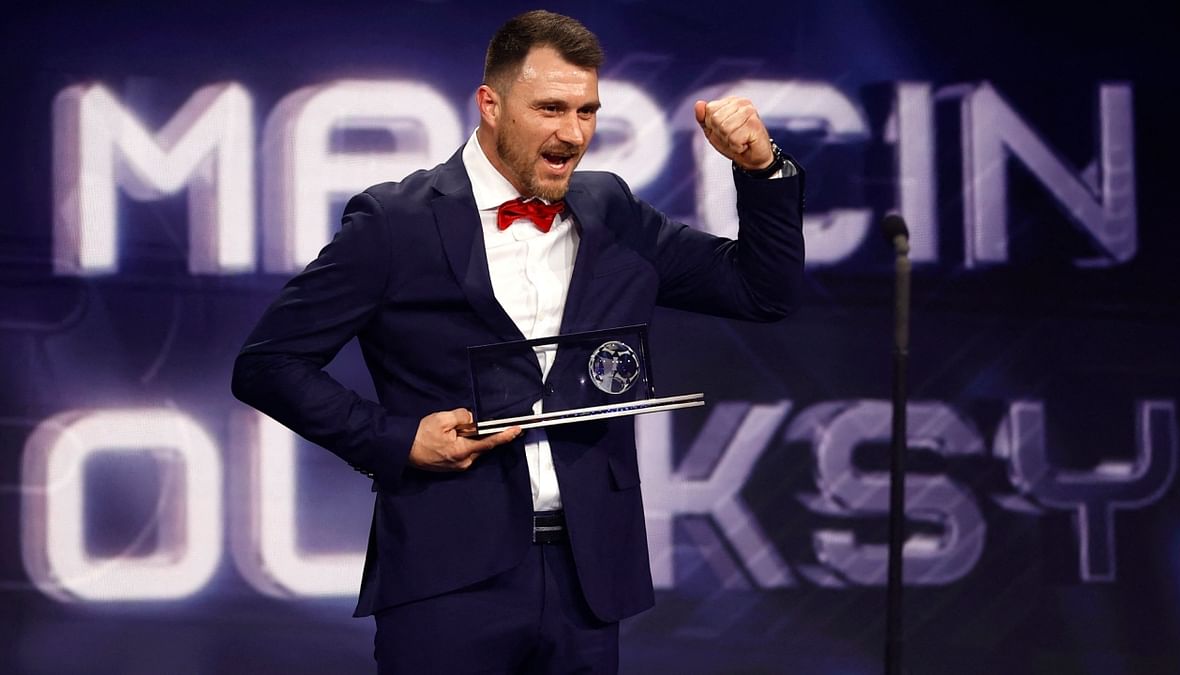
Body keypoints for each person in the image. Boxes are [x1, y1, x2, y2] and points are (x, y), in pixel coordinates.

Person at [231, 9, 804, 674]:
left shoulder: (612, 212)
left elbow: (763, 293)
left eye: (588, 110)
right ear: (491, 105)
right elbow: (269, 362)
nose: (574, 132)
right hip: (447, 579)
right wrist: (396, 438)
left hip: (586, 578)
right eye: (552, 108)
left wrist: (762, 172)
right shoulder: (395, 223)